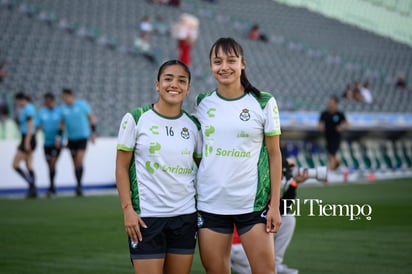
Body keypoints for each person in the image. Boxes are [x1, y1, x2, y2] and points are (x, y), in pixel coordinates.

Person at [193, 37, 283, 274]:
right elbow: (200, 155)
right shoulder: (202, 103)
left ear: (242, 63)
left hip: (251, 205)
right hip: (211, 204)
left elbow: (275, 155)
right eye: (217, 61)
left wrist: (275, 204)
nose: (224, 67)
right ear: (211, 66)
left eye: (231, 60)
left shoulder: (263, 101)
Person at [116, 60, 201, 274]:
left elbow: (203, 168)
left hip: (185, 217)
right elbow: (121, 167)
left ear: (188, 88)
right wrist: (127, 210)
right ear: (157, 85)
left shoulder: (194, 125)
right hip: (147, 218)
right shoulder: (136, 118)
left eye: (182, 80)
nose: (175, 84)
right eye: (168, 79)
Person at [230, 159, 310, 274]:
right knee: (267, 270)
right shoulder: (262, 183)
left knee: (287, 219)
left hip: (234, 242)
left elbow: (280, 210)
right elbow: (278, 210)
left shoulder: (254, 178)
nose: (283, 177)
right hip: (240, 245)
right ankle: (270, 265)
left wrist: (293, 184)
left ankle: (273, 263)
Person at [60, 88, 96, 196]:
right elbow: (61, 124)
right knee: (75, 163)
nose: (64, 99)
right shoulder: (63, 109)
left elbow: (91, 117)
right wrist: (59, 138)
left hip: (82, 138)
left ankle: (79, 185)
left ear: (71, 96)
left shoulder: (82, 105)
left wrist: (93, 133)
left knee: (79, 160)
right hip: (71, 139)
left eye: (65, 97)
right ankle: (78, 184)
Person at [37, 93, 63, 197]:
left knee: (52, 163)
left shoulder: (59, 111)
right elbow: (38, 124)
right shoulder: (42, 112)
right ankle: (52, 186)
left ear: (52, 100)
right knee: (49, 166)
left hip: (56, 143)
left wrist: (58, 138)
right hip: (46, 142)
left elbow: (62, 125)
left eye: (47, 100)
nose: (46, 102)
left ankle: (52, 187)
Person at [12, 92, 37, 198]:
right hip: (27, 138)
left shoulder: (29, 109)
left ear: (21, 99)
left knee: (15, 164)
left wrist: (26, 142)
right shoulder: (26, 109)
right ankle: (32, 188)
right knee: (29, 165)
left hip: (28, 138)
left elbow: (30, 126)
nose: (16, 104)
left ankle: (32, 185)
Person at [318, 95, 349, 170]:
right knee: (331, 156)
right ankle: (342, 166)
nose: (330, 104)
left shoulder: (339, 114)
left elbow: (347, 123)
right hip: (327, 137)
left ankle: (329, 172)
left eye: (331, 102)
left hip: (336, 137)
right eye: (329, 102)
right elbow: (320, 123)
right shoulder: (325, 113)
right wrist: (321, 127)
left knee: (332, 155)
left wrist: (341, 127)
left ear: (335, 103)